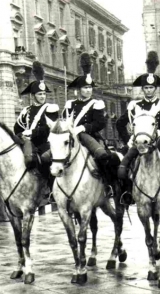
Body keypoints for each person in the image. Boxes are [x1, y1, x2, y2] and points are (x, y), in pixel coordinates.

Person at [116, 51, 160, 205]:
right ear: (143, 89)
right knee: (123, 165)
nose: (149, 90)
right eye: (146, 88)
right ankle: (127, 192)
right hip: (139, 143)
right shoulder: (135, 105)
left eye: (151, 88)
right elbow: (119, 123)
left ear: (155, 88)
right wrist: (129, 139)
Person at [64, 53, 119, 197]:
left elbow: (100, 123)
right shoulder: (70, 104)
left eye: (90, 87)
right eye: (85, 87)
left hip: (90, 136)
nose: (88, 90)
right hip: (71, 136)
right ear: (79, 89)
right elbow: (64, 119)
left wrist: (83, 128)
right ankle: (55, 190)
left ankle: (107, 185)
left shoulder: (96, 104)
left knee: (102, 156)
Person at [14, 61, 59, 186]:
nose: (42, 96)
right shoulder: (26, 110)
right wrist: (22, 135)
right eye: (40, 94)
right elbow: (17, 128)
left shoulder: (51, 108)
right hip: (28, 143)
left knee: (47, 161)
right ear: (33, 95)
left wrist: (32, 132)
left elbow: (49, 128)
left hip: (45, 143)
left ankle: (51, 190)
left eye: (44, 94)